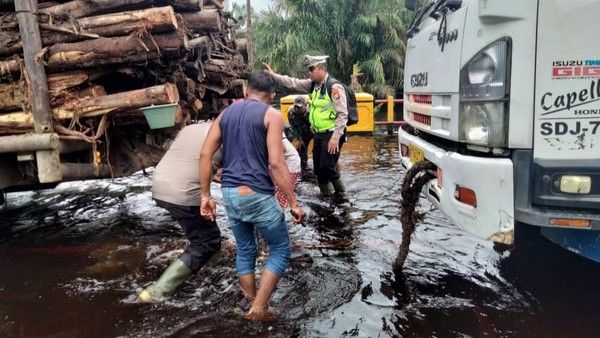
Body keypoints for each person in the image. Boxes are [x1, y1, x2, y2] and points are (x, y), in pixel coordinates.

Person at [199, 70, 306, 321]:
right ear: (272, 94)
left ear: (246, 90)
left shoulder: (226, 113)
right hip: (256, 192)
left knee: (246, 249)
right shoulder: (272, 115)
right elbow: (277, 163)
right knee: (280, 248)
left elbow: (205, 155)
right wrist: (293, 203)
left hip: (229, 193)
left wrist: (205, 196)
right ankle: (258, 309)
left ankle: (250, 301)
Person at [138, 119, 222, 303]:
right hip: (183, 192)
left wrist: (213, 171)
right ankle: (157, 291)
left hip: (160, 185)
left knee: (208, 232)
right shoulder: (228, 131)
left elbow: (189, 157)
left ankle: (211, 269)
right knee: (207, 242)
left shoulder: (192, 127)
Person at [262, 55, 348, 195]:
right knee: (318, 169)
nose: (309, 72)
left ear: (321, 69)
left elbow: (343, 114)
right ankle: (325, 195)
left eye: (311, 69)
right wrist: (273, 75)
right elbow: (292, 82)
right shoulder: (312, 85)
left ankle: (342, 196)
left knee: (328, 166)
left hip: (332, 133)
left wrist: (335, 137)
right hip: (319, 133)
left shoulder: (334, 87)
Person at [286, 96, 313, 172]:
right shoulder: (291, 111)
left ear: (305, 105)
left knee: (318, 149)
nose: (297, 108)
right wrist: (299, 138)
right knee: (301, 149)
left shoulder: (311, 111)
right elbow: (293, 126)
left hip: (314, 131)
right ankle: (303, 169)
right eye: (296, 106)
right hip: (302, 132)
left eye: (299, 107)